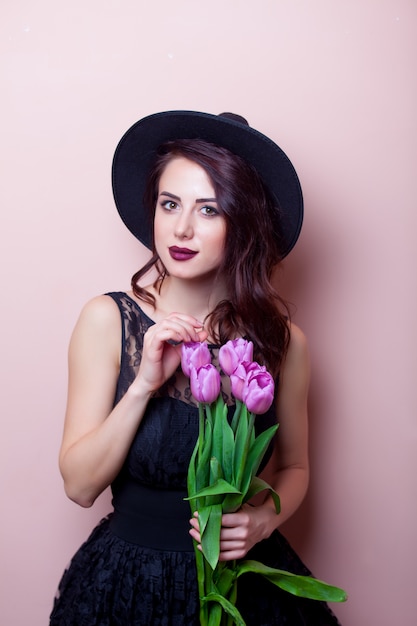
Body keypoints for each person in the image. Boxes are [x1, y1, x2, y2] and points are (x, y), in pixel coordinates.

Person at [50, 111, 341, 625]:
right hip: (129, 584)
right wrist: (143, 385)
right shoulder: (107, 320)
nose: (182, 228)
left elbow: (295, 468)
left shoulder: (283, 342)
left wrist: (263, 521)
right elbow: (78, 487)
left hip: (241, 586)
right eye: (170, 204)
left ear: (244, 221)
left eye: (209, 209)